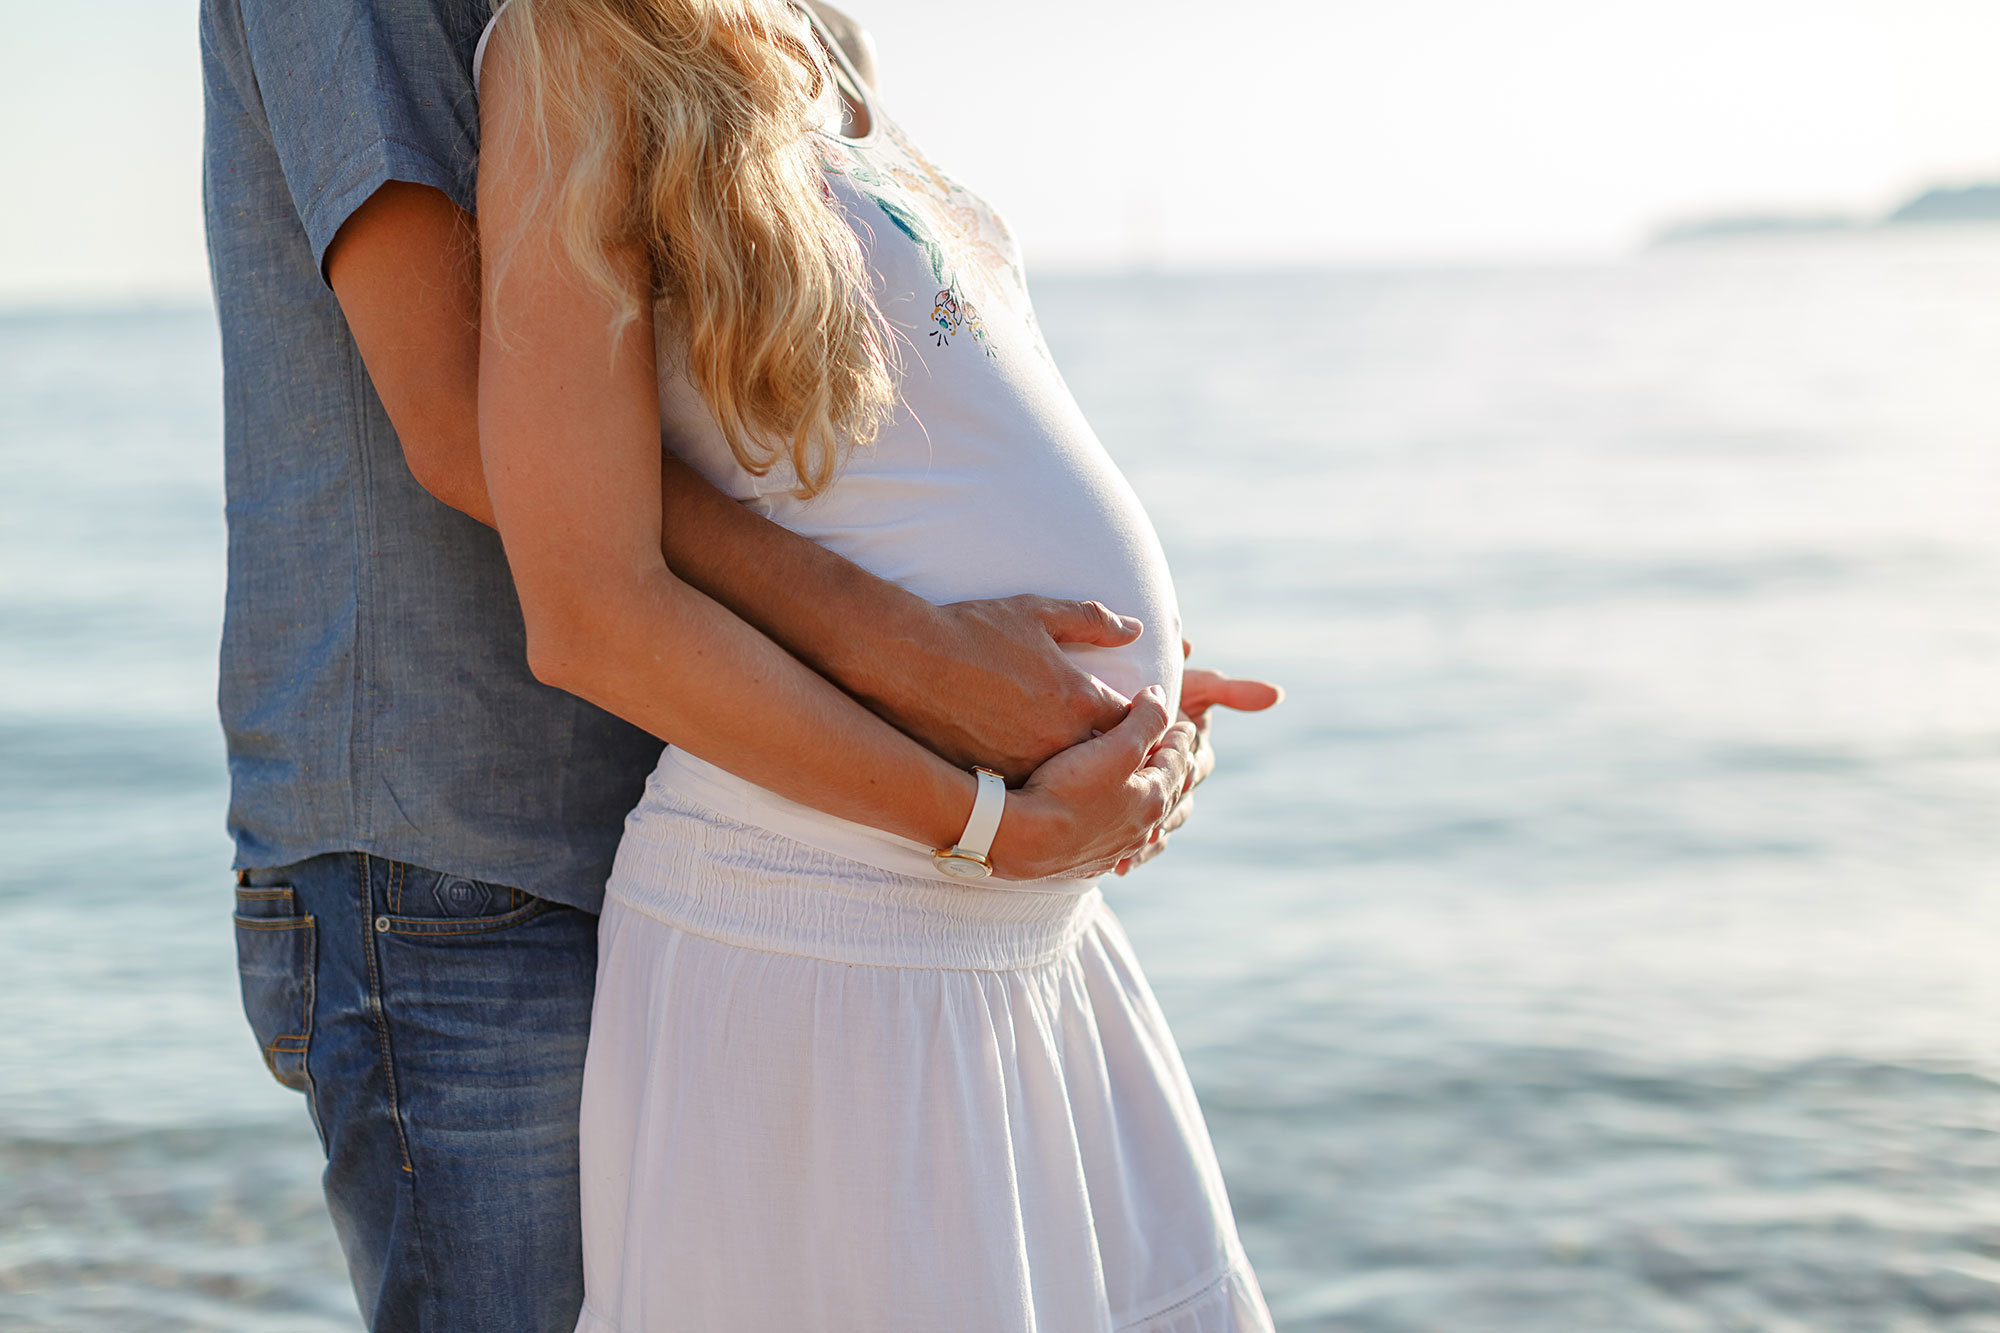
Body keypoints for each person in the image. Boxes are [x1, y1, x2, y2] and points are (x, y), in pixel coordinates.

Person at [200, 0, 1278, 1328]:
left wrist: (1106, 697)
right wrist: (930, 669)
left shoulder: (779, 30)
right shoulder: (555, 50)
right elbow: (464, 426)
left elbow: (863, 431)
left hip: (739, 799)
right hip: (460, 847)